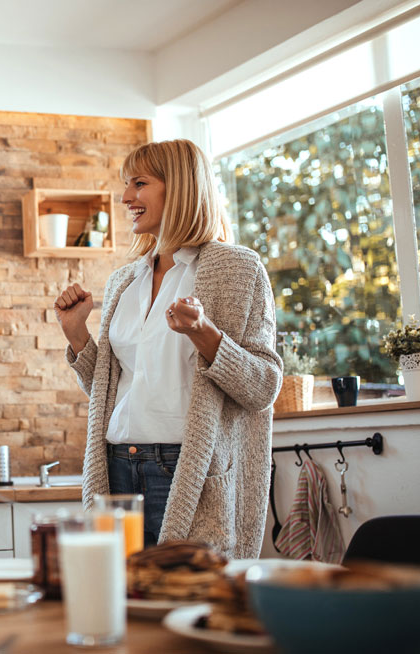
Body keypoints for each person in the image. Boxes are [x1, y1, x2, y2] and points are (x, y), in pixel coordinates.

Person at [53, 138, 281, 558]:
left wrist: (206, 334)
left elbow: (264, 387)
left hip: (186, 469)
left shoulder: (237, 268)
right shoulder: (125, 280)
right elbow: (109, 389)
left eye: (139, 183)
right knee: (120, 601)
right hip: (116, 466)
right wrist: (77, 335)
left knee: (188, 603)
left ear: (179, 187)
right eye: (126, 185)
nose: (126, 197)